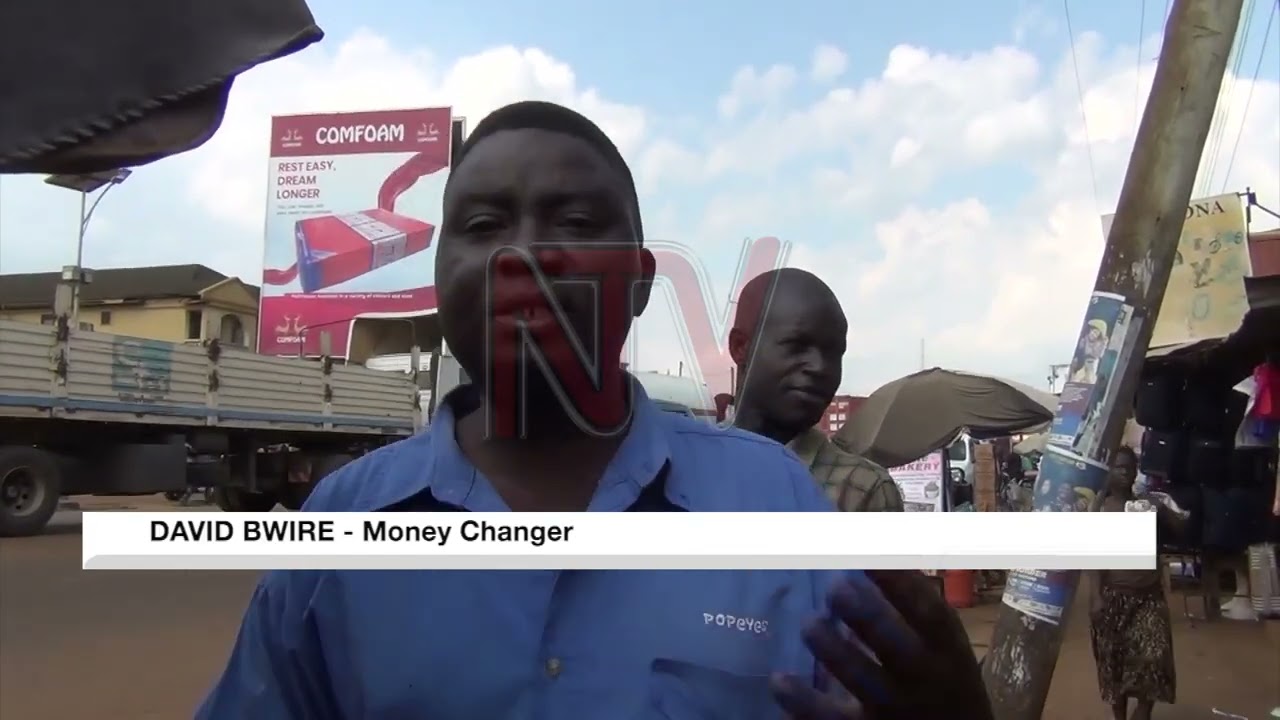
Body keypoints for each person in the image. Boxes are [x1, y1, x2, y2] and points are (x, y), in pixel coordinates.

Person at [196, 101, 991, 720]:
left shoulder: (776, 503)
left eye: (576, 223)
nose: (525, 255)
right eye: (482, 226)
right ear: (439, 278)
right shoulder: (340, 532)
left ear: (642, 282)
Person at [729, 268, 904, 512]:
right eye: (797, 346)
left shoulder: (862, 490)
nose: (820, 367)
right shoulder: (687, 465)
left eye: (834, 353)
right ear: (740, 347)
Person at [1086, 446, 1181, 720]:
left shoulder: (1146, 505)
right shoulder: (1100, 510)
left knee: (1154, 658)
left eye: (1129, 467)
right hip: (1114, 596)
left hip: (1149, 596)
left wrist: (1163, 509)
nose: (1124, 472)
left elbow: (1180, 528)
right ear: (1108, 472)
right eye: (1118, 467)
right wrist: (1095, 596)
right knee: (1115, 664)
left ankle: (1143, 712)